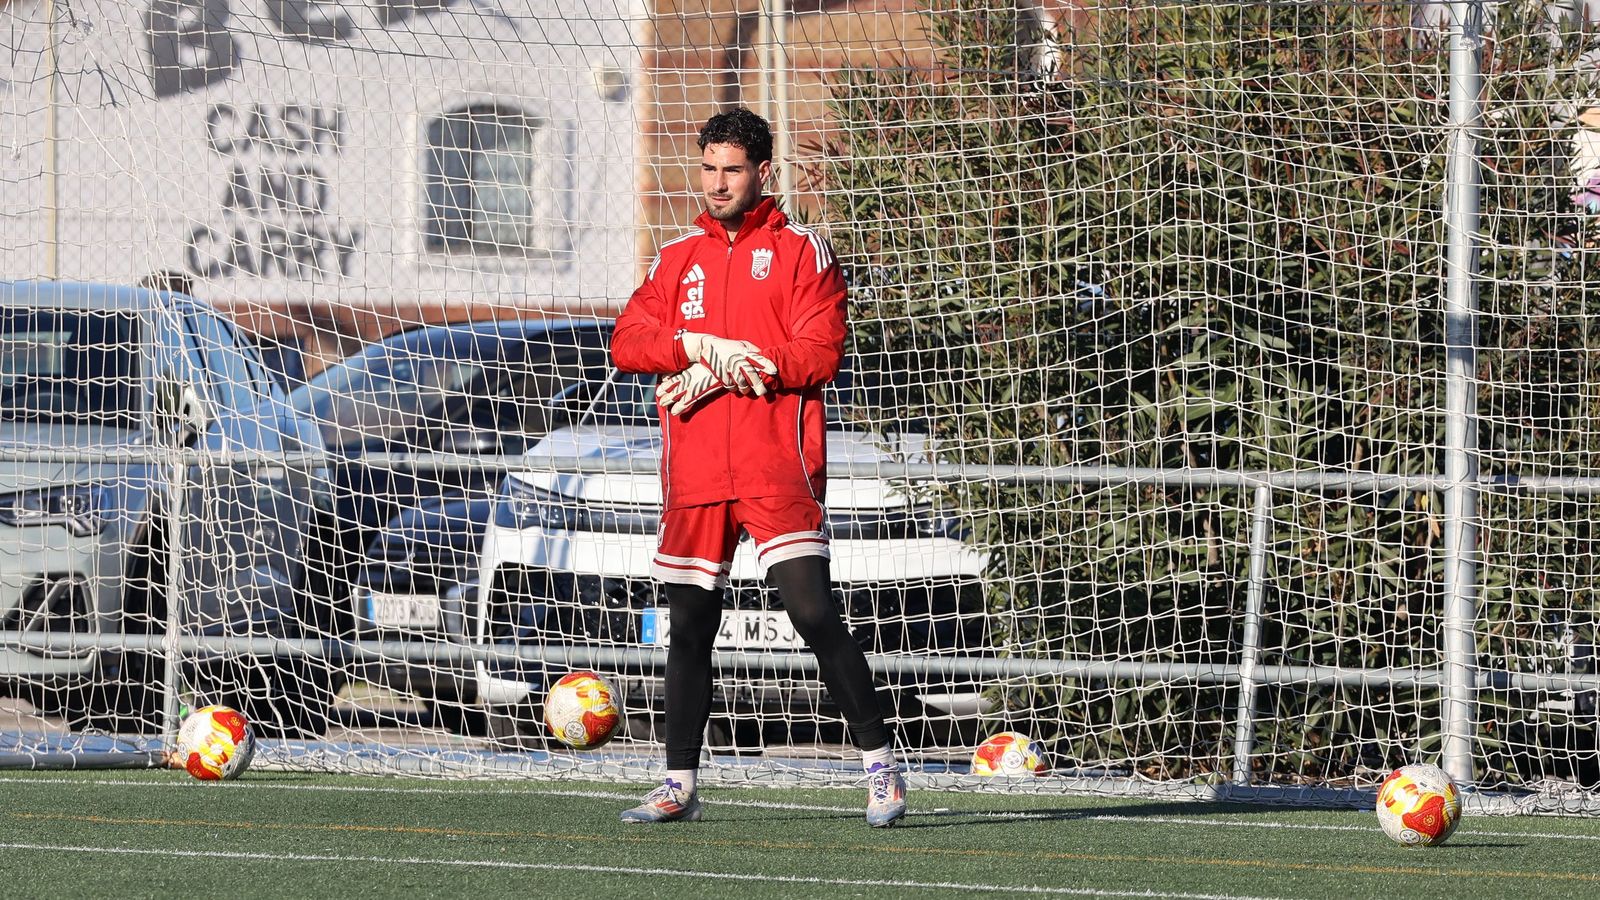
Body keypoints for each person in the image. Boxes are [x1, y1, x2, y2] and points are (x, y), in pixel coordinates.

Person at [609, 106, 906, 828]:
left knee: (812, 612)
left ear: (762, 172)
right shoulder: (677, 258)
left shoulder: (804, 252)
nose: (717, 183)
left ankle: (881, 767)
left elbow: (819, 354)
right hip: (697, 470)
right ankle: (678, 783)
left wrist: (736, 366)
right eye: (708, 168)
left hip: (777, 465)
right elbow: (628, 340)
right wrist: (694, 347)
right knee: (689, 625)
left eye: (732, 170)